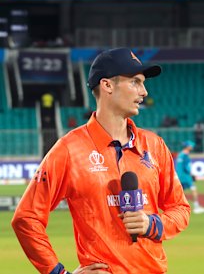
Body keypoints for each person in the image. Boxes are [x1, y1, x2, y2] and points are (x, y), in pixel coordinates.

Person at [12, 48, 191, 274]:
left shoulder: (155, 145)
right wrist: (59, 273)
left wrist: (151, 224)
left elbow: (180, 208)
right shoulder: (69, 149)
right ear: (107, 85)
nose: (144, 91)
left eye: (143, 83)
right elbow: (26, 219)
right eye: (135, 82)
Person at [175, 140, 204, 214]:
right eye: (191, 145)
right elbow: (187, 167)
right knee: (194, 189)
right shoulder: (185, 156)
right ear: (188, 146)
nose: (192, 147)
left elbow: (178, 167)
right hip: (185, 176)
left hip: (180, 176)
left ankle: (177, 207)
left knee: (180, 192)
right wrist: (192, 175)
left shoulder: (180, 154)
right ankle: (196, 207)